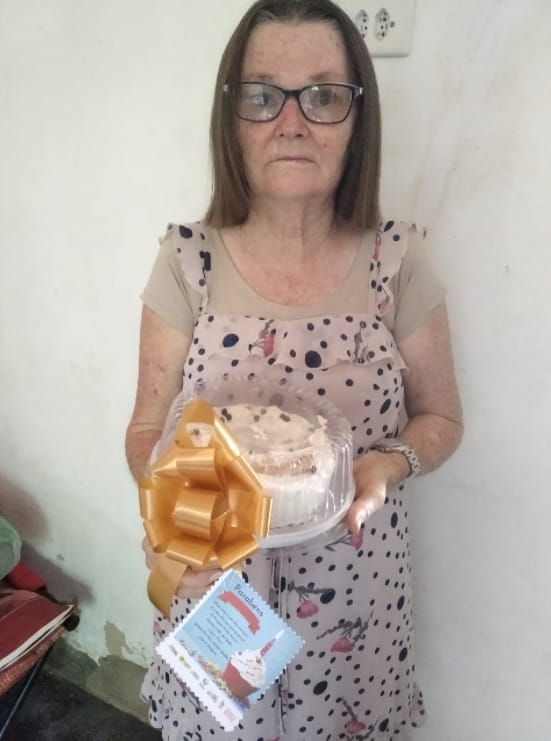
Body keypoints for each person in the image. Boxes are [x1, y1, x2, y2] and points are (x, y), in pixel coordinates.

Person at [125, 1, 463, 738]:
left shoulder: (395, 259)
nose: (291, 121)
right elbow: (147, 427)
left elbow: (442, 418)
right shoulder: (187, 260)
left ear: (358, 118)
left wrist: (389, 464)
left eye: (323, 95)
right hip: (218, 599)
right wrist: (167, 524)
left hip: (355, 607)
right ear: (230, 116)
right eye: (261, 95)